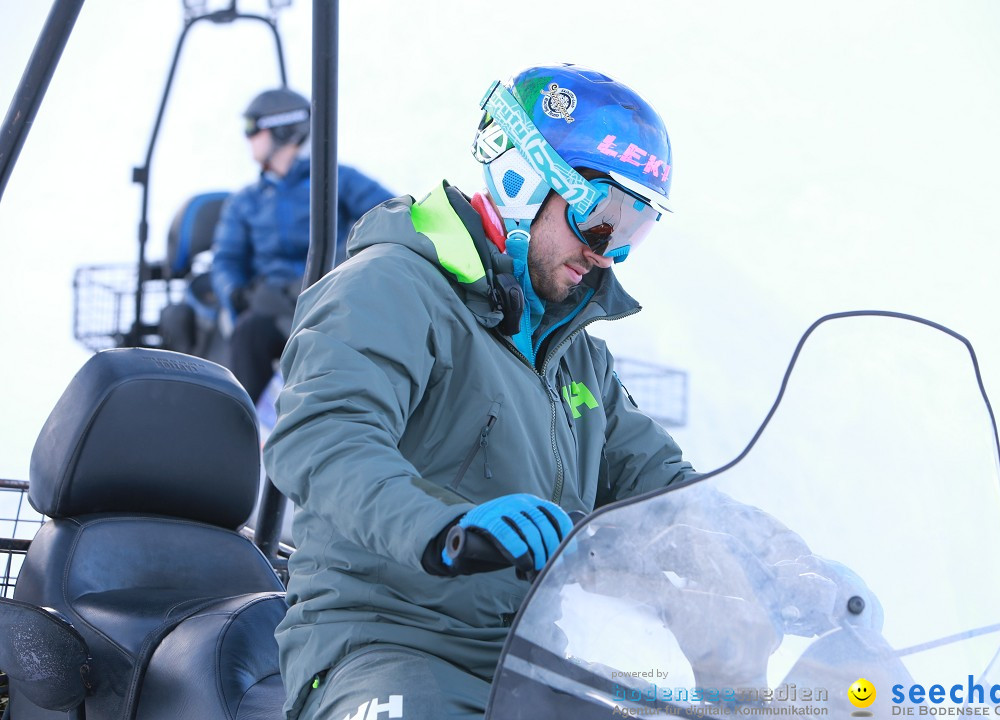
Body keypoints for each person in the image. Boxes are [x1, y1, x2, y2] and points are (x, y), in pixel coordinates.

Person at [263, 64, 696, 720]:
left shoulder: (575, 354)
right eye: (601, 219)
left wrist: (779, 566)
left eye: (635, 229)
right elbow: (324, 438)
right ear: (524, 178)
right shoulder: (389, 289)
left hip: (525, 661)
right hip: (379, 649)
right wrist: (443, 528)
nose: (608, 255)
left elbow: (667, 490)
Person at [210, 87, 394, 401]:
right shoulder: (246, 202)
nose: (247, 138)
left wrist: (339, 266)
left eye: (252, 129)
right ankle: (239, 422)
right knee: (249, 333)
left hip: (332, 296)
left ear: (283, 129)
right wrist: (240, 294)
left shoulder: (335, 178)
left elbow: (389, 215)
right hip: (274, 307)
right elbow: (226, 259)